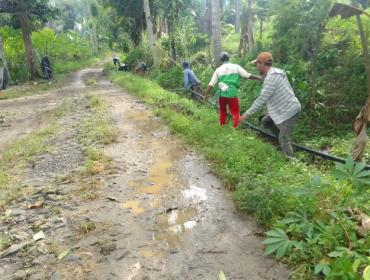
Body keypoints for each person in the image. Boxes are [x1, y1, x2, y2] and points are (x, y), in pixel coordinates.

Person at [239, 52, 301, 157]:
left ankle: (292, 164)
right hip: (282, 108)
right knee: (266, 121)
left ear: (262, 64)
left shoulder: (271, 78)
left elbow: (261, 99)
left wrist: (245, 115)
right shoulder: (276, 72)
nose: (256, 66)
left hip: (289, 110)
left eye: (257, 64)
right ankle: (283, 144)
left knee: (284, 139)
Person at [203, 52, 263, 128]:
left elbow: (211, 84)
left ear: (221, 61)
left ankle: (222, 127)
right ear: (229, 58)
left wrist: (205, 95)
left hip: (222, 94)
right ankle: (235, 128)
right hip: (232, 94)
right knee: (235, 112)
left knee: (222, 112)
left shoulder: (218, 70)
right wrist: (258, 77)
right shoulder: (236, 67)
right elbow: (247, 75)